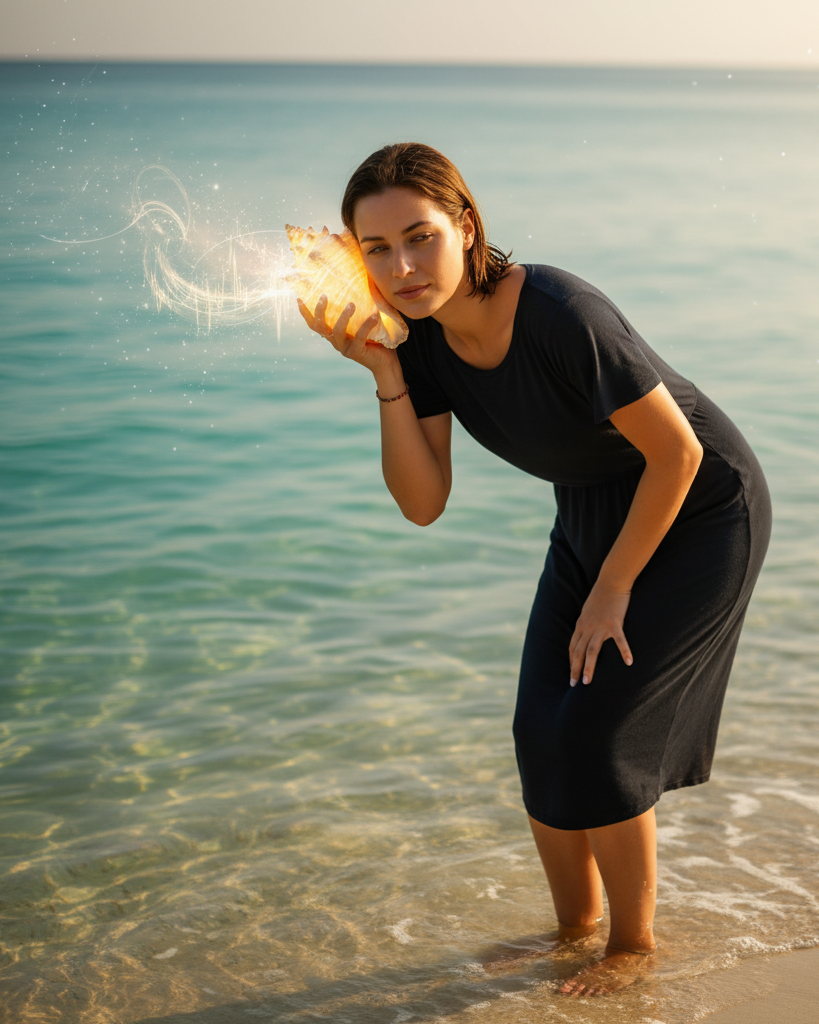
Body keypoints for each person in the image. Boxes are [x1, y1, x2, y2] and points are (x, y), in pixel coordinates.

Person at [297, 142, 771, 997]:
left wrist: (613, 588)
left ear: (465, 225)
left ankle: (633, 946)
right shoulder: (420, 344)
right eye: (375, 249)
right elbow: (422, 501)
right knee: (538, 729)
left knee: (599, 730)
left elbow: (678, 454)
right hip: (590, 514)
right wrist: (384, 372)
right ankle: (573, 928)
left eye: (420, 237)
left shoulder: (561, 311)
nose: (402, 266)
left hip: (698, 508)